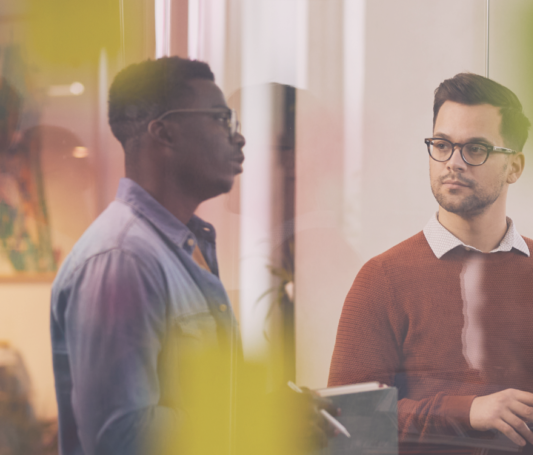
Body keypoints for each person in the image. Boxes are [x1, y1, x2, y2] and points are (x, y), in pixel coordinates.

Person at [327, 73, 533, 455]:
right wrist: (468, 411)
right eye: (442, 145)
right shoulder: (382, 278)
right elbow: (348, 424)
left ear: (515, 167)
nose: (453, 162)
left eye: (476, 149)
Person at [49, 57, 329, 455]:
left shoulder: (184, 245)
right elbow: (121, 437)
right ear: (164, 133)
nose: (239, 138)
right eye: (221, 119)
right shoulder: (122, 259)